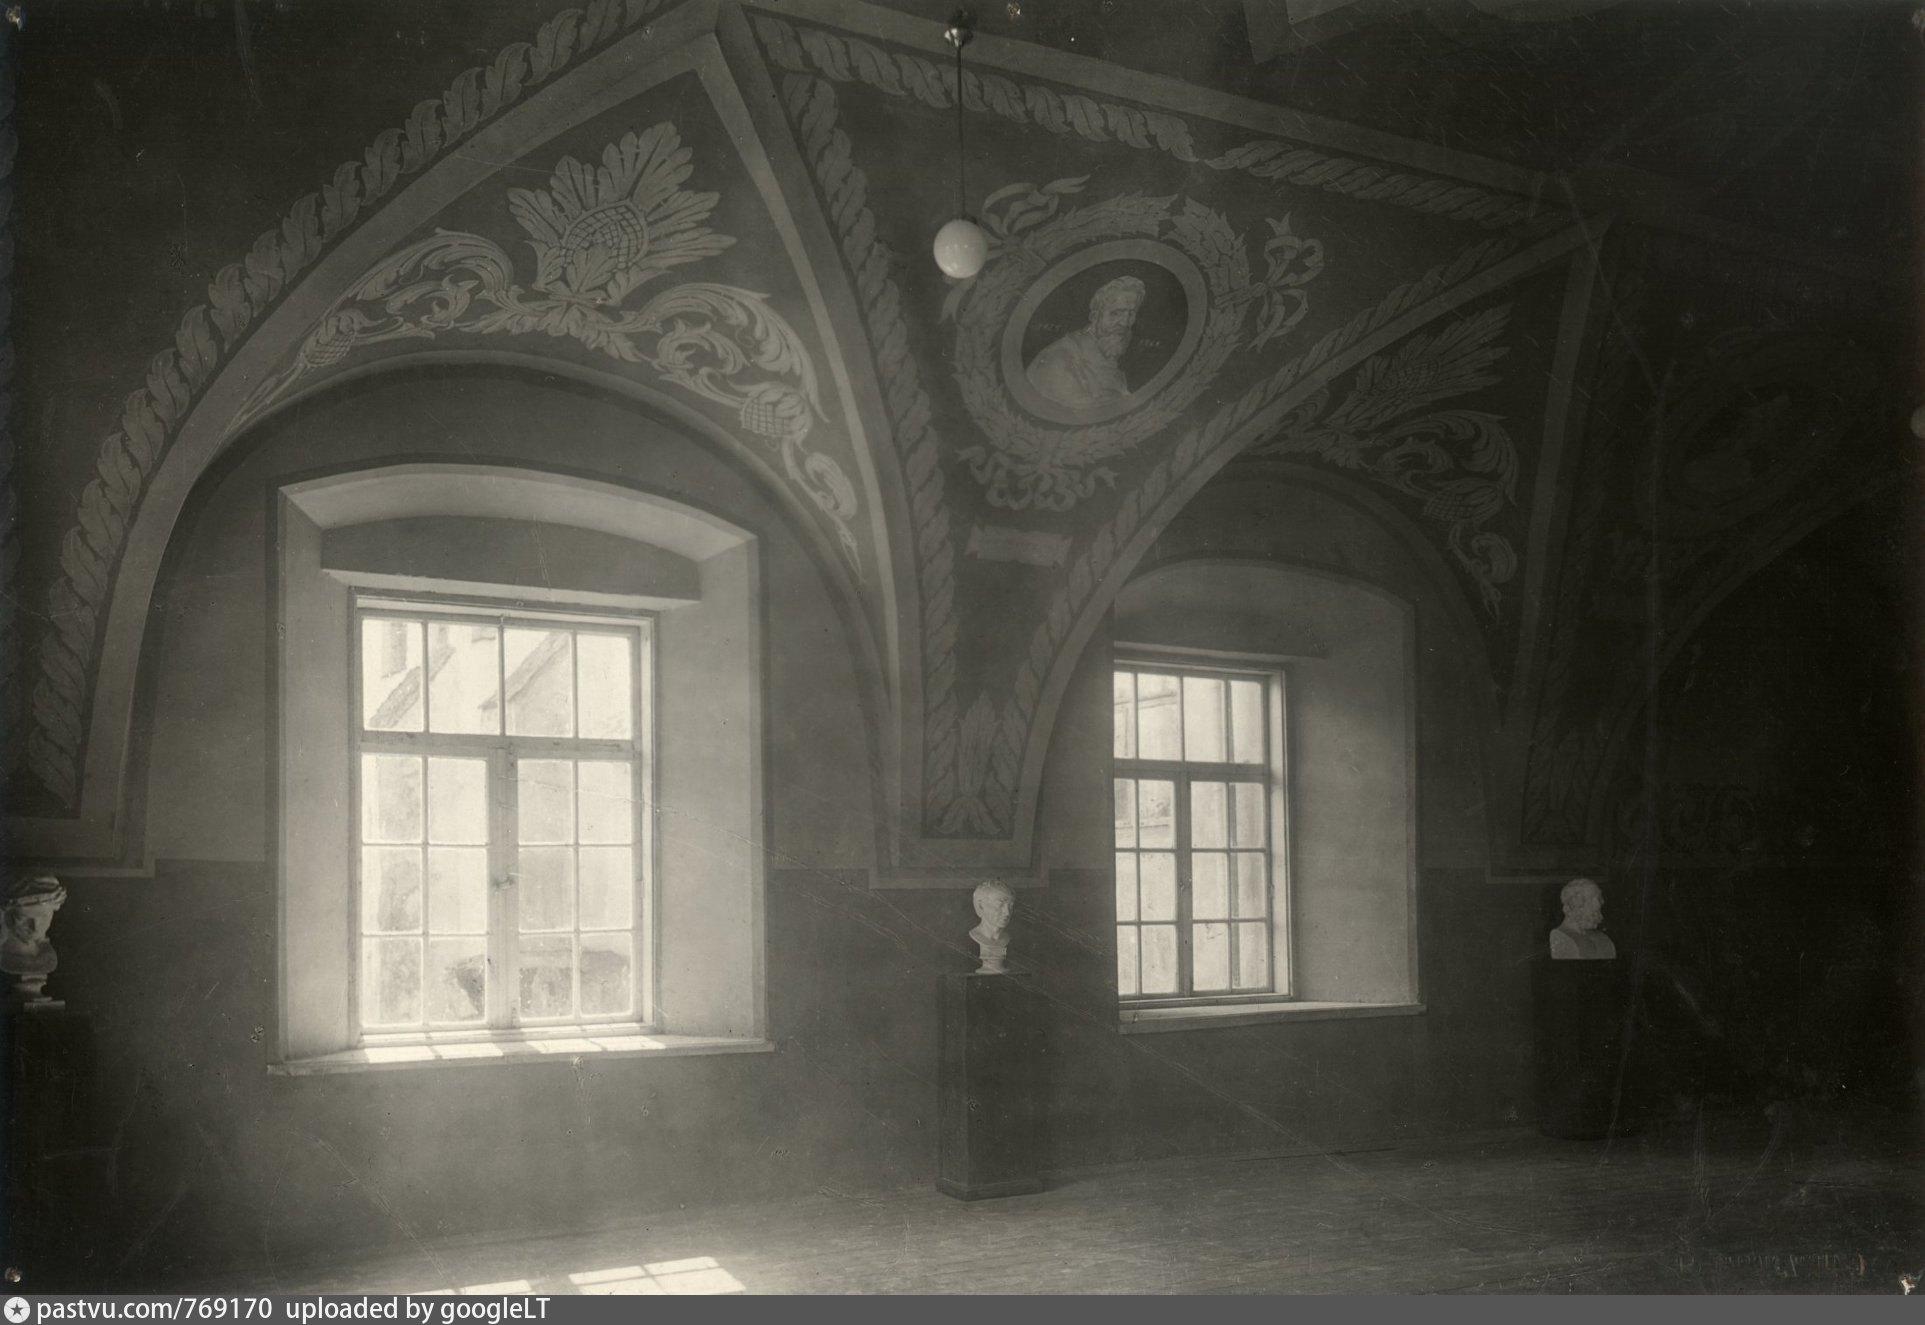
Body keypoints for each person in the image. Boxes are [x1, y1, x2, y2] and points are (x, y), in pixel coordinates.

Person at [1024, 275, 1145, 410]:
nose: (1125, 323)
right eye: (1115, 313)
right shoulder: (1060, 359)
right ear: (1095, 316)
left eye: (1131, 314)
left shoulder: (1110, 349)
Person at [1549, 877, 1616, 960]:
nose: (1598, 905)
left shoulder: (1603, 939)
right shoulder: (1560, 937)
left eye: (1599, 899)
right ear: (1574, 904)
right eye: (1591, 899)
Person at [970, 880, 1015, 975]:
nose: (1007, 912)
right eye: (1000, 904)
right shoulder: (972, 938)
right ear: (980, 906)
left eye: (1010, 905)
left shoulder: (1008, 939)